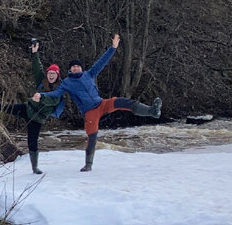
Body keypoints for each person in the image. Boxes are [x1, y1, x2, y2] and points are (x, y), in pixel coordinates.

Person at [36, 33, 161, 172]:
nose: (75, 68)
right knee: (92, 136)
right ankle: (88, 164)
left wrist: (113, 48)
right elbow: (56, 93)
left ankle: (152, 111)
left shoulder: (89, 74)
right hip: (90, 112)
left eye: (77, 66)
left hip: (101, 104)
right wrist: (41, 95)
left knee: (123, 102)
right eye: (73, 67)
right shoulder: (67, 82)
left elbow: (102, 61)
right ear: (70, 69)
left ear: (81, 68)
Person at [0, 41, 65, 174]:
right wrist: (34, 53)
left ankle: (35, 168)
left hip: (37, 118)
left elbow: (53, 100)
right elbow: (37, 67)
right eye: (50, 73)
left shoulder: (60, 88)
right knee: (5, 107)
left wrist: (41, 97)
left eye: (54, 74)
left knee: (32, 142)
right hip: (27, 108)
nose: (51, 76)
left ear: (57, 75)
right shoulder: (42, 80)